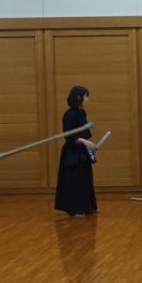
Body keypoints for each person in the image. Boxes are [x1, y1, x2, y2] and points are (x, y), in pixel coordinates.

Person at [53, 85, 98, 216]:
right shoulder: (69, 114)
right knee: (74, 181)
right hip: (72, 152)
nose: (87, 99)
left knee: (85, 178)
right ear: (79, 97)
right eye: (85, 96)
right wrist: (85, 142)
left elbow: (85, 134)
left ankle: (87, 206)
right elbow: (69, 135)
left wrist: (90, 145)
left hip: (82, 151)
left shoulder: (82, 113)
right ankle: (75, 208)